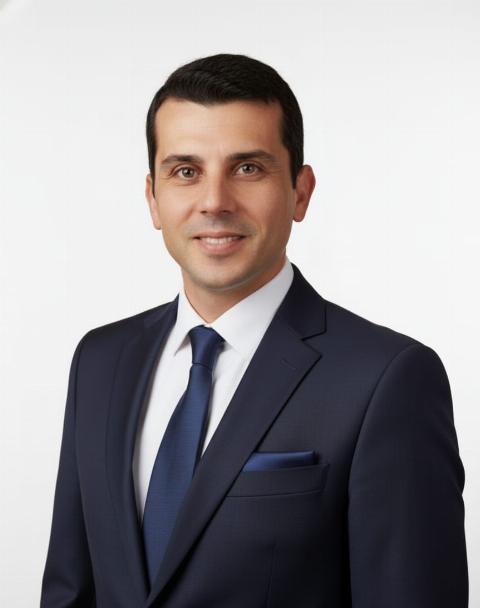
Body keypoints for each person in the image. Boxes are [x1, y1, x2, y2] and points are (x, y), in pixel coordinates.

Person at [40, 53, 468, 607]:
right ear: (153, 198)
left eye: (247, 168)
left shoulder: (387, 379)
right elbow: (70, 591)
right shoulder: (100, 361)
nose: (214, 202)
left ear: (300, 191)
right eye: (186, 171)